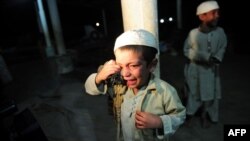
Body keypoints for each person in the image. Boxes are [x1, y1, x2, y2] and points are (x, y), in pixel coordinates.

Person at [84, 29, 186, 141]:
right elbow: (89, 89)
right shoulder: (118, 85)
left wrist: (160, 122)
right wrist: (99, 76)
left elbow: (179, 116)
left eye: (133, 65)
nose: (125, 74)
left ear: (152, 65)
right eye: (120, 66)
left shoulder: (165, 91)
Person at [183, 0, 227, 128]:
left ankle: (207, 116)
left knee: (212, 94)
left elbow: (222, 47)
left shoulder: (220, 32)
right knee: (194, 93)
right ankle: (190, 114)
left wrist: (217, 57)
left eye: (217, 12)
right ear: (202, 16)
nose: (217, 15)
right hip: (195, 70)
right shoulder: (193, 34)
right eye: (214, 13)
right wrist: (203, 57)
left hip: (212, 71)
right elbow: (186, 50)